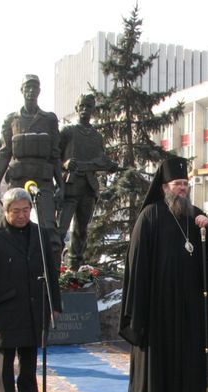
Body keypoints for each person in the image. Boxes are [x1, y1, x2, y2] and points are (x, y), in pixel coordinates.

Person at [119, 157, 208, 392]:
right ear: (164, 187)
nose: (182, 188)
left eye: (185, 183)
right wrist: (140, 301)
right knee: (160, 349)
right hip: (157, 300)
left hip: (188, 299)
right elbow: (137, 261)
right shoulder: (150, 215)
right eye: (177, 184)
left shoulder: (195, 215)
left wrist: (207, 228)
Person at [0, 188, 62, 392]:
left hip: (33, 305)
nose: (22, 215)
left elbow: (51, 272)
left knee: (29, 359)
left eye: (26, 210)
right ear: (5, 211)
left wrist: (55, 303)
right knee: (5, 359)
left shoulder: (40, 234)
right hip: (4, 308)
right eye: (16, 211)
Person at [0, 74, 65, 269]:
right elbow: (4, 154)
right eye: (27, 87)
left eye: (35, 87)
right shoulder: (12, 120)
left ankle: (52, 283)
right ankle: (11, 274)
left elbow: (55, 155)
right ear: (22, 90)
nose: (31, 90)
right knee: (12, 229)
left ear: (39, 91)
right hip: (18, 182)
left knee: (50, 233)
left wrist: (62, 186)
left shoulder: (49, 119)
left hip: (43, 182)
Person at [57, 93, 118, 270]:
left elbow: (101, 160)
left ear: (93, 110)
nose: (85, 109)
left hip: (89, 188)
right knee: (61, 230)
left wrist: (111, 166)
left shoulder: (97, 137)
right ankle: (54, 264)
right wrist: (65, 163)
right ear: (77, 108)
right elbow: (54, 157)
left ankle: (74, 265)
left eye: (88, 106)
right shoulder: (67, 131)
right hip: (69, 186)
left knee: (81, 230)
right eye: (82, 106)